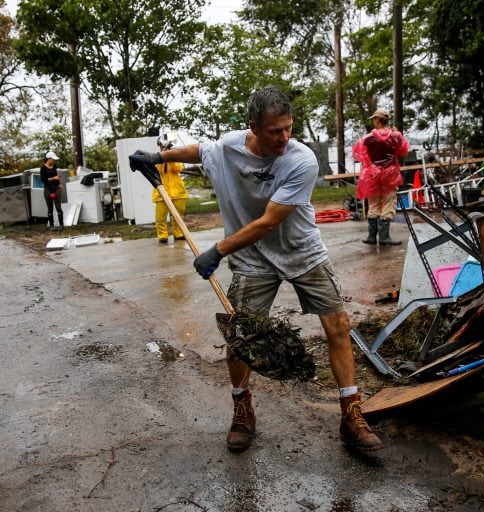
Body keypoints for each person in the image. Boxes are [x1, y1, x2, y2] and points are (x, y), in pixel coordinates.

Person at [128, 86, 384, 453]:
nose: (284, 138)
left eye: (288, 128)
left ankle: (351, 414)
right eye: (274, 131)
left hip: (301, 252)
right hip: (252, 260)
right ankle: (242, 409)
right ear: (253, 127)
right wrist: (156, 156)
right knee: (239, 336)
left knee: (338, 326)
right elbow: (202, 151)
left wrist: (217, 250)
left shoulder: (302, 160)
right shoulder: (230, 147)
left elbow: (268, 222)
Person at [352, 108, 409, 245]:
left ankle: (372, 237)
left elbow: (361, 155)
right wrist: (397, 135)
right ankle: (384, 237)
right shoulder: (396, 136)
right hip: (390, 175)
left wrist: (372, 167)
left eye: (374, 120)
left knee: (374, 204)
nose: (373, 122)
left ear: (377, 120)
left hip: (373, 175)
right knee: (388, 204)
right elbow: (403, 152)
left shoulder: (367, 138)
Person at [152, 135, 189, 244]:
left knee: (178, 216)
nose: (162, 147)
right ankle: (162, 236)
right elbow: (157, 169)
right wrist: (162, 156)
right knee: (160, 217)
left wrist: (170, 156)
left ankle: (178, 234)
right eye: (161, 146)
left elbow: (178, 168)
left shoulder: (176, 156)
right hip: (161, 192)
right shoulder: (156, 157)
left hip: (177, 192)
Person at [40, 151, 64, 230]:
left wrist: (59, 183)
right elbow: (43, 180)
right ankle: (51, 225)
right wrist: (53, 178)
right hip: (48, 188)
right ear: (49, 159)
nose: (55, 161)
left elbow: (56, 175)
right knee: (50, 208)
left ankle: (61, 225)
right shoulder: (43, 168)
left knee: (58, 207)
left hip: (56, 187)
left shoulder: (54, 166)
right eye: (53, 159)